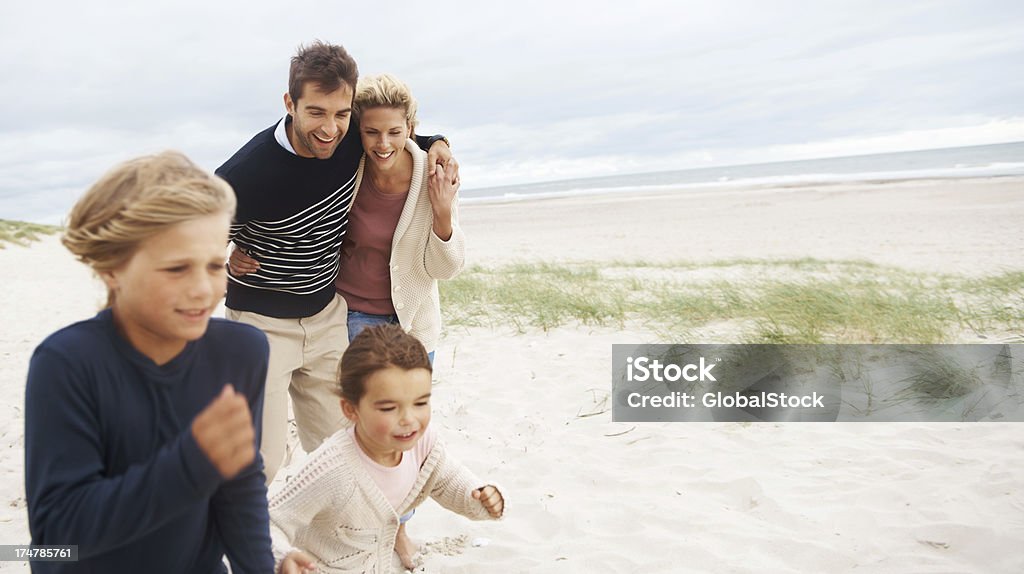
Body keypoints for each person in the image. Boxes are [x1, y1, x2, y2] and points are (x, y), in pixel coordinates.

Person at [218, 41, 458, 483]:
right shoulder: (245, 173)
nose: (330, 129)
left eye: (341, 114)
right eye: (316, 112)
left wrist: (438, 143)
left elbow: (396, 133)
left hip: (328, 318)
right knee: (262, 461)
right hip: (261, 323)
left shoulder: (352, 139)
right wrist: (224, 260)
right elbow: (193, 233)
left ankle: (340, 543)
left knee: (347, 451)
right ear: (290, 103)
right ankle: (243, 546)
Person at [24, 152, 273, 572]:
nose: (202, 289)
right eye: (176, 269)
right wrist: (189, 465)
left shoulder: (242, 352)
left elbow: (239, 489)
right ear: (112, 270)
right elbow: (56, 536)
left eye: (214, 265)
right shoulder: (65, 364)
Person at [269, 325, 505, 573]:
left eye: (420, 402)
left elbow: (447, 480)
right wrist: (284, 558)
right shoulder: (333, 468)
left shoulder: (424, 444)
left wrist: (481, 496)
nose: (408, 419)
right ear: (351, 409)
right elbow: (270, 521)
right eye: (389, 408)